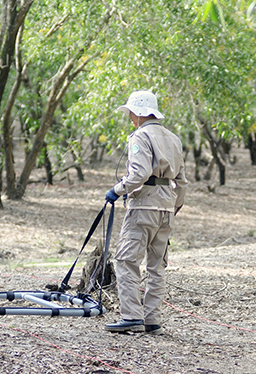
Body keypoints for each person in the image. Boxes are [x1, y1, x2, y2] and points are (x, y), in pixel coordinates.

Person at [103, 90, 188, 335]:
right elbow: (182, 181)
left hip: (143, 206)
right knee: (156, 266)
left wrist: (117, 190)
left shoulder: (140, 136)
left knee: (126, 260)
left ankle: (131, 316)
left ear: (139, 113)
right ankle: (152, 320)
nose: (130, 117)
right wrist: (173, 206)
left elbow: (139, 174)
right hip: (167, 207)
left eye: (131, 113)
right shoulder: (173, 139)